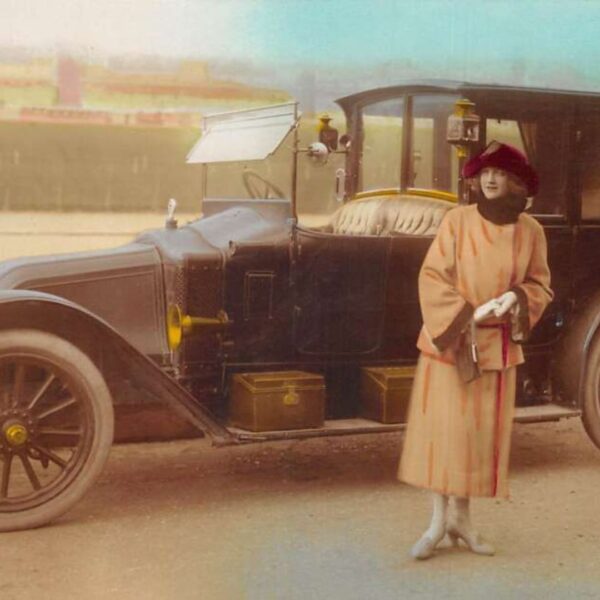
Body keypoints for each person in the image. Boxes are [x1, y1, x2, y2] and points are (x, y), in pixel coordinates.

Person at [398, 140, 554, 559]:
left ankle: (461, 521)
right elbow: (432, 276)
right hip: (450, 343)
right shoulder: (457, 221)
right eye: (485, 172)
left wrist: (517, 298)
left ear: (517, 182)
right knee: (442, 434)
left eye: (500, 173)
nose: (490, 179)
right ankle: (435, 521)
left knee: (476, 437)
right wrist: (468, 313)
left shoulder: (531, 231)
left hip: (496, 348)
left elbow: (541, 284)